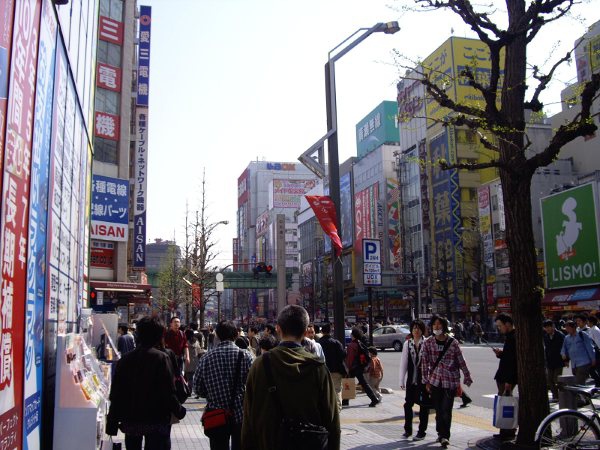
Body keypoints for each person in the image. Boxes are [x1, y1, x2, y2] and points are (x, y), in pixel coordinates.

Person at [241, 305, 340, 450]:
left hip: (268, 443)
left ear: (278, 329)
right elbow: (332, 419)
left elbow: (249, 416)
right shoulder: (318, 367)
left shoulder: (261, 364)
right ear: (306, 331)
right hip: (309, 444)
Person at [106, 316, 186, 449]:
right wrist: (179, 410)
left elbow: (116, 393)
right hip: (156, 420)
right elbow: (168, 391)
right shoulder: (161, 358)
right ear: (159, 335)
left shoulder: (125, 360)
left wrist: (112, 422)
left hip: (131, 420)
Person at [194, 320, 254, 450]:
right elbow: (253, 386)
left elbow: (197, 388)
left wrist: (211, 393)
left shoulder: (207, 357)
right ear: (236, 335)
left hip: (216, 415)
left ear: (218, 335)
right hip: (240, 414)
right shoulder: (246, 356)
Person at [421, 316, 473, 449]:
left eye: (439, 325)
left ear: (444, 326)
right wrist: (426, 381)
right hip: (435, 381)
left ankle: (445, 436)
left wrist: (467, 375)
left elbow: (461, 360)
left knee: (446, 409)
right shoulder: (428, 343)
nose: (436, 327)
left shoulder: (453, 342)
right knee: (438, 409)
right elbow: (425, 363)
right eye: (434, 325)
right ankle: (440, 432)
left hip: (450, 381)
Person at [399, 319, 430, 441]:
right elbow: (404, 363)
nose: (416, 330)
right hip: (411, 380)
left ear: (422, 330)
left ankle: (422, 432)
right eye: (414, 328)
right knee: (408, 404)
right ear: (411, 330)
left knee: (424, 406)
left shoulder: (427, 343)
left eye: (418, 328)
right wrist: (401, 380)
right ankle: (408, 430)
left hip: (424, 381)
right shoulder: (408, 344)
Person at [492, 313, 518, 442]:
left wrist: (509, 380)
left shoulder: (513, 337)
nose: (499, 328)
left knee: (506, 404)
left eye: (500, 326)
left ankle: (508, 430)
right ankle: (504, 429)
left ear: (508, 324)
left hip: (507, 376)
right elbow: (508, 357)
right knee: (503, 403)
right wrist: (500, 354)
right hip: (503, 374)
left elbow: (513, 361)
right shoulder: (509, 337)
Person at [345, 327, 380, 407]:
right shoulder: (359, 343)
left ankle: (374, 399)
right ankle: (346, 400)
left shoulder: (351, 345)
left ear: (353, 335)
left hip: (353, 367)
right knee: (363, 384)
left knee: (348, 382)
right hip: (360, 366)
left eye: (351, 334)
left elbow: (350, 359)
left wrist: (348, 368)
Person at [318, 323, 347, 412]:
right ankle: (337, 409)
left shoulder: (318, 343)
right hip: (336, 370)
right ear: (330, 331)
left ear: (322, 331)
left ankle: (326, 409)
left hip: (323, 371)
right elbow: (343, 355)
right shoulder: (336, 343)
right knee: (337, 390)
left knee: (324, 391)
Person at [561, 320, 596, 385]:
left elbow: (590, 347)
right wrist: (564, 355)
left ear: (574, 327)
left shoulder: (582, 335)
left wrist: (593, 359)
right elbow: (563, 349)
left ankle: (580, 394)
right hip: (574, 364)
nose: (567, 330)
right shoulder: (567, 338)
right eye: (566, 328)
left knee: (579, 382)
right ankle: (586, 394)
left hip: (584, 362)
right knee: (581, 381)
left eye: (568, 328)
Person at [543, 319, 565, 402]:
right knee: (549, 380)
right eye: (546, 327)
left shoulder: (560, 335)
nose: (547, 329)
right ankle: (555, 396)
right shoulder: (546, 336)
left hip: (558, 360)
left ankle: (561, 395)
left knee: (557, 379)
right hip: (549, 361)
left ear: (553, 326)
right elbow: (546, 349)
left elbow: (564, 348)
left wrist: (566, 359)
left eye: (549, 327)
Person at [587, 316, 600, 386]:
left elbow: (598, 342)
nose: (587, 323)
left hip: (596, 352)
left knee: (593, 368)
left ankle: (598, 383)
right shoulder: (591, 329)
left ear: (591, 322)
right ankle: (597, 383)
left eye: (588, 321)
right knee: (592, 369)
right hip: (593, 351)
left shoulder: (595, 330)